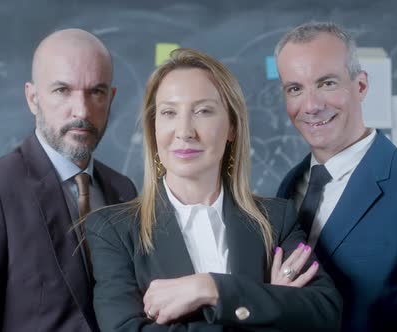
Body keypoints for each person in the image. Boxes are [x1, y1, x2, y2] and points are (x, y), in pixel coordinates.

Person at [85, 48, 342, 331]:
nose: (184, 131)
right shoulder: (113, 230)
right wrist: (265, 304)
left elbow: (325, 312)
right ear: (154, 126)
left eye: (203, 111)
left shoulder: (275, 219)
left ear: (232, 126)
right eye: (169, 112)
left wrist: (210, 288)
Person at [275, 22, 397, 331]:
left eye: (327, 83)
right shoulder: (290, 185)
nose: (311, 106)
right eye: (295, 89)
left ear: (361, 86)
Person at [0, 29, 137, 332]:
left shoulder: (123, 190)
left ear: (111, 98)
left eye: (96, 92)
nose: (81, 110)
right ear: (32, 97)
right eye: (62, 90)